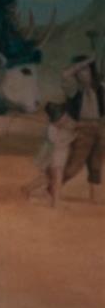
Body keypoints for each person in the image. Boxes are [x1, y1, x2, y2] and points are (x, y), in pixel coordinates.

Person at [61, 54, 104, 203]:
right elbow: (65, 74)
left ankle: (94, 197)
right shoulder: (73, 89)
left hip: (99, 129)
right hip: (82, 130)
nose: (81, 73)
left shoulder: (100, 88)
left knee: (96, 165)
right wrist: (86, 61)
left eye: (84, 70)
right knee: (74, 165)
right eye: (78, 70)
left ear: (91, 71)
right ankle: (52, 187)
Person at [22, 102, 77, 208]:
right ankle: (55, 204)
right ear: (55, 119)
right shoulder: (51, 129)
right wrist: (71, 138)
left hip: (61, 157)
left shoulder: (65, 125)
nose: (65, 120)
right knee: (57, 180)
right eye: (62, 119)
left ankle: (27, 188)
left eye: (65, 118)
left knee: (47, 178)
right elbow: (57, 143)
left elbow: (72, 127)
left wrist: (71, 132)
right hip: (53, 158)